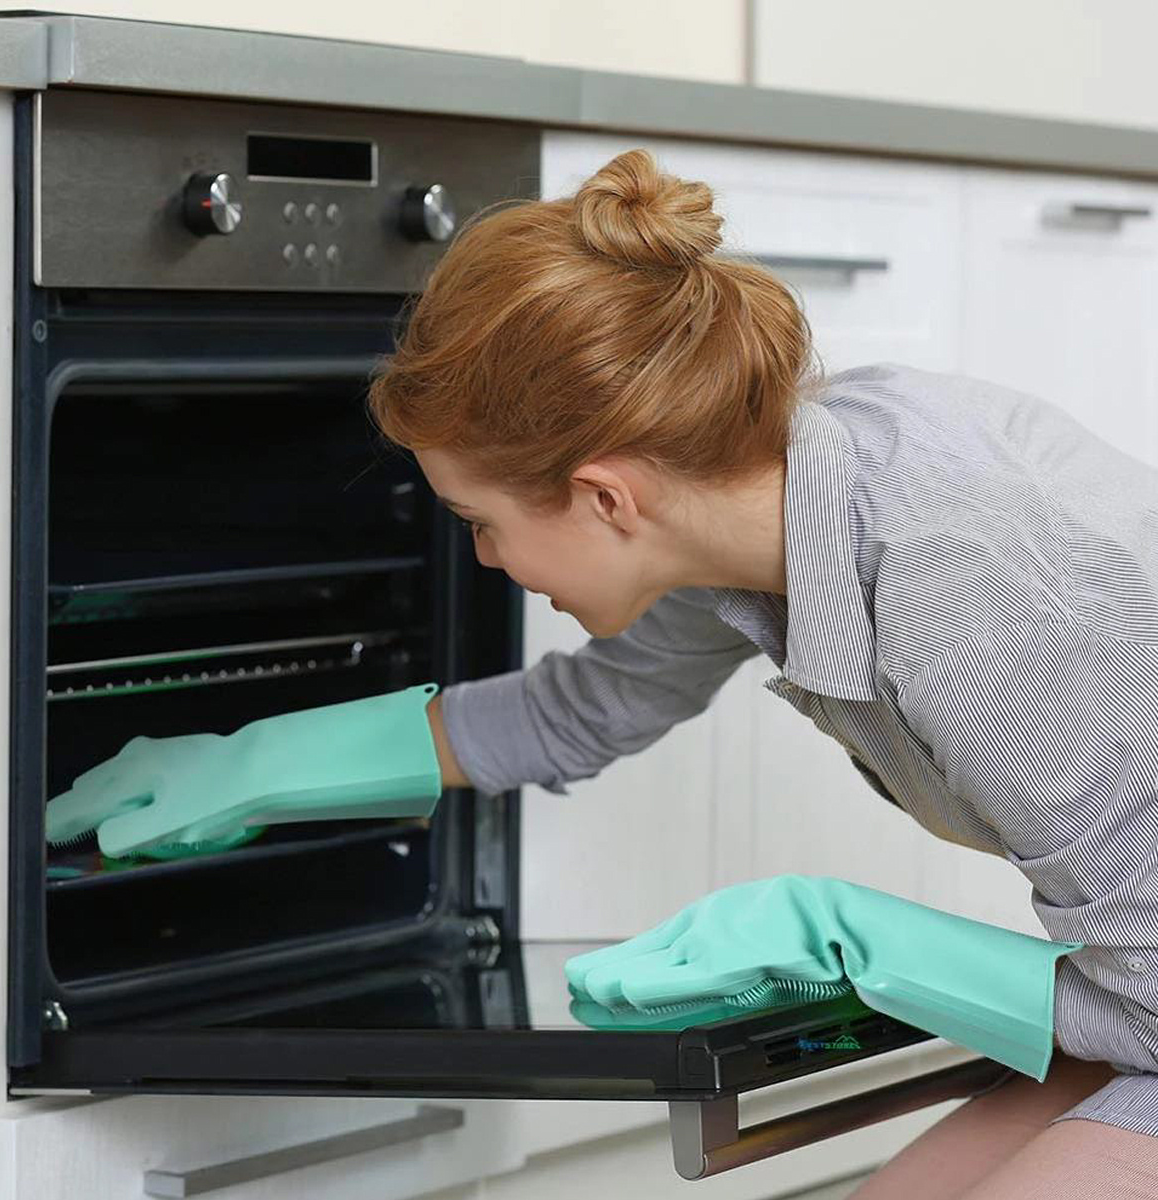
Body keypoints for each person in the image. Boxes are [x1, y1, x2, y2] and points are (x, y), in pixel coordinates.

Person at [367, 147, 1158, 1197]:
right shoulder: (760, 498)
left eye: (480, 522)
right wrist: (245, 768)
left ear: (605, 498)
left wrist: (855, 944)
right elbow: (580, 711)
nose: (484, 559)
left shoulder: (964, 600)